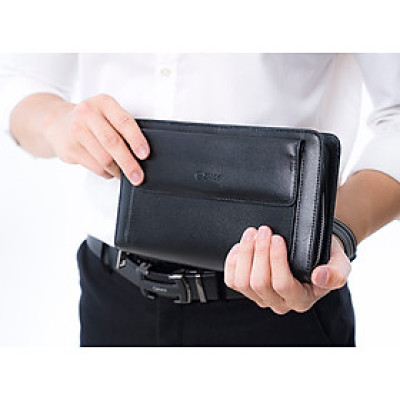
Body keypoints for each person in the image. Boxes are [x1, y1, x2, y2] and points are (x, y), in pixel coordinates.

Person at [0, 54, 399, 346]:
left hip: (281, 308)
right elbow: (20, 82)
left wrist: (336, 232)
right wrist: (57, 122)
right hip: (112, 296)